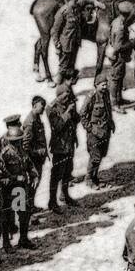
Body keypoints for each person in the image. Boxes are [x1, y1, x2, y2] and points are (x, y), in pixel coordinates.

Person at [46, 82, 80, 210]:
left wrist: (74, 112)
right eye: (64, 97)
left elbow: (76, 120)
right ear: (58, 96)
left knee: (67, 172)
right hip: (59, 147)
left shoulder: (70, 103)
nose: (67, 99)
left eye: (68, 96)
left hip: (69, 144)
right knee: (56, 175)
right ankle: (52, 201)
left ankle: (65, 196)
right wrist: (67, 112)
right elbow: (58, 126)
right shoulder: (51, 108)